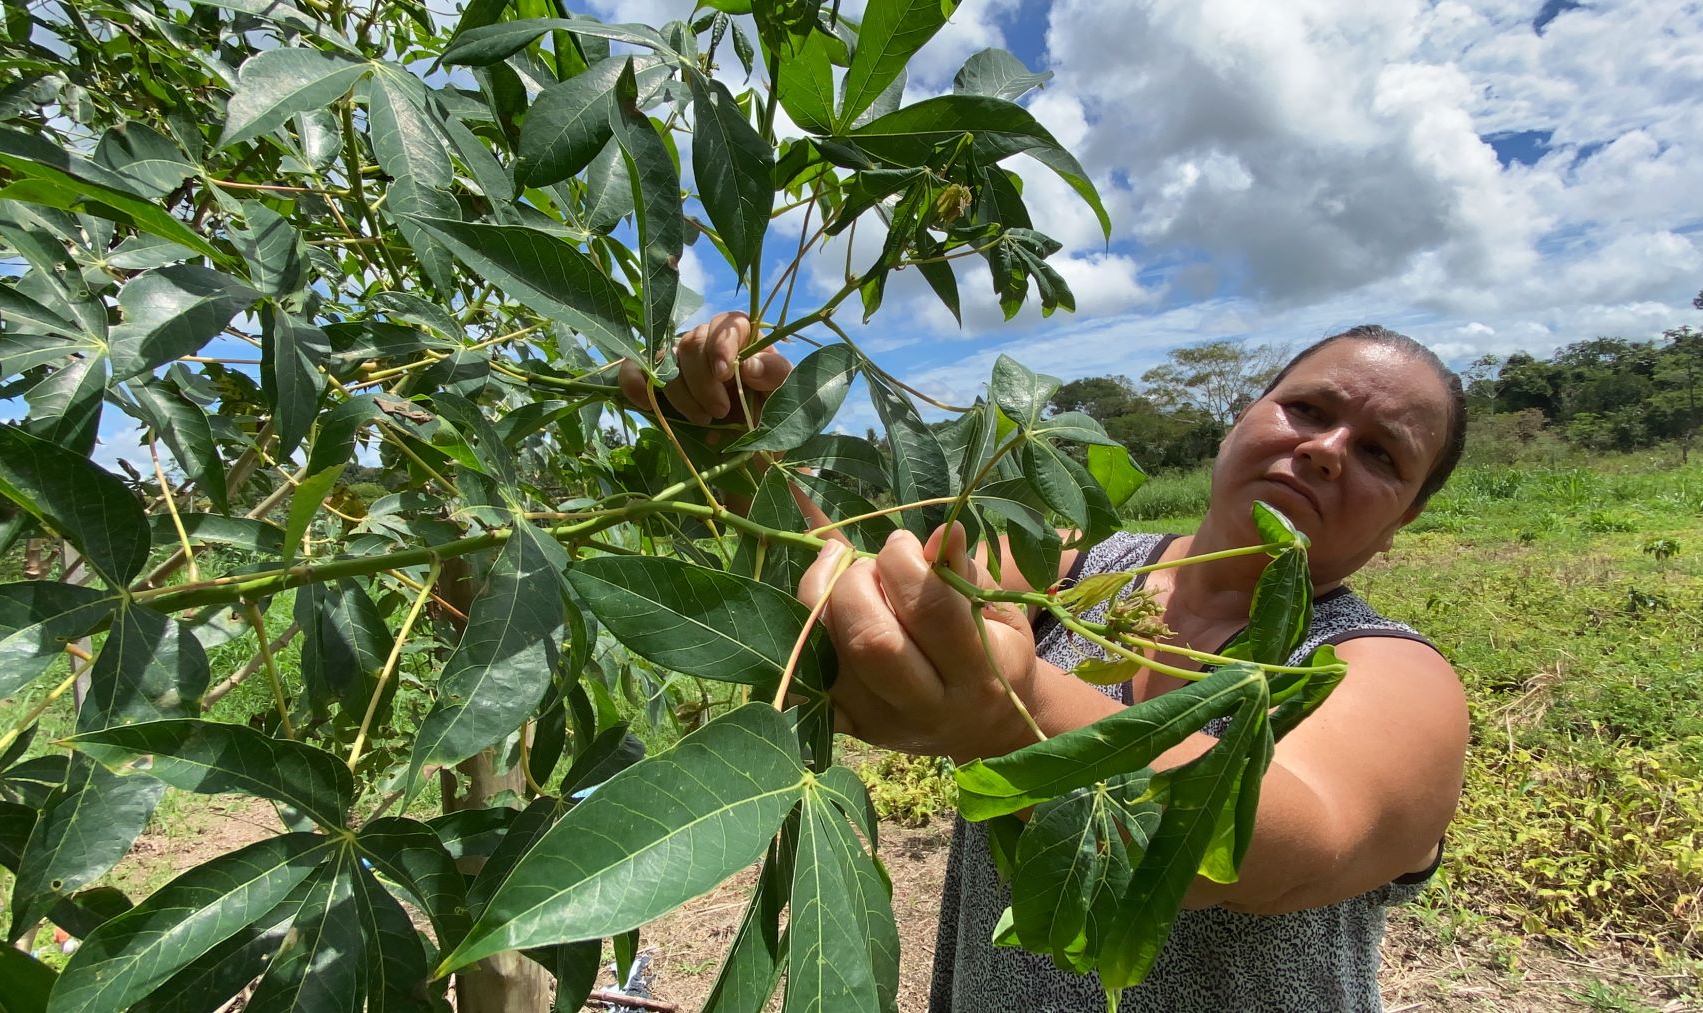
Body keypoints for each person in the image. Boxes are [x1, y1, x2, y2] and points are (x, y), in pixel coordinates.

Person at [626, 313, 1471, 1012]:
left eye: (1380, 454)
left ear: (1405, 521)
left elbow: (1286, 846)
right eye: (1306, 408)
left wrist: (1011, 715)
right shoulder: (1066, 564)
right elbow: (877, 594)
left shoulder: (1389, 673)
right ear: (1243, 415)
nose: (1326, 447)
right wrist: (739, 456)